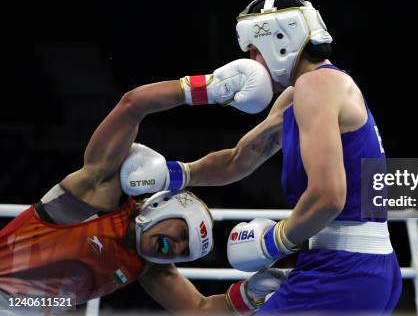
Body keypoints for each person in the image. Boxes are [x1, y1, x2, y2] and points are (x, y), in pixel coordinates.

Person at [0, 59, 286, 315]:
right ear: (161, 208)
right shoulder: (96, 190)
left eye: (186, 251)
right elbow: (133, 104)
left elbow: (199, 309)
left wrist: (250, 295)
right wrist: (207, 88)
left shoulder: (148, 266)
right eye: (183, 233)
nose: (179, 247)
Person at [185, 0, 402, 314]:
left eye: (255, 51)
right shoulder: (299, 94)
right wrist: (175, 174)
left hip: (343, 270)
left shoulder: (317, 87)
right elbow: (237, 160)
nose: (253, 63)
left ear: (279, 41)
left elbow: (329, 196)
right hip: (361, 267)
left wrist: (273, 242)